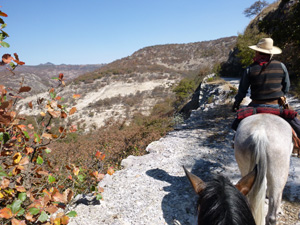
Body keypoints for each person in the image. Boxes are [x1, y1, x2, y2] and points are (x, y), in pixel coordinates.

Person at [232, 37, 300, 152]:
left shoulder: (250, 69)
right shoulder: (281, 66)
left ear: (258, 52)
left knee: (235, 126)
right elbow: (286, 87)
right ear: (271, 53)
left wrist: (237, 103)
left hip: (255, 106)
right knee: (297, 125)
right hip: (276, 106)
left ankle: (235, 143)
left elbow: (242, 91)